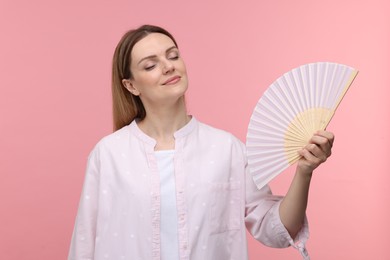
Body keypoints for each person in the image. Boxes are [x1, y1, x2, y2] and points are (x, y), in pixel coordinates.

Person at [68, 25, 334, 260]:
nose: (168, 66)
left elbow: (275, 230)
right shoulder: (109, 154)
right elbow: (84, 245)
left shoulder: (226, 149)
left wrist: (304, 171)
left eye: (173, 55)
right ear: (131, 86)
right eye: (150, 65)